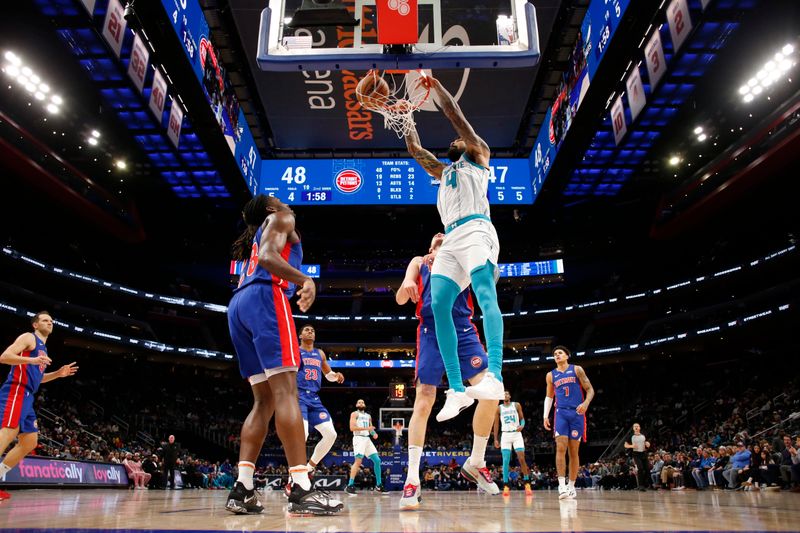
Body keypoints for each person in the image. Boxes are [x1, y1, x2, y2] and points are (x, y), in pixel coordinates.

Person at [226, 194, 342, 516]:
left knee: (263, 402)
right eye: (276, 198)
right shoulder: (281, 218)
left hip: (238, 305)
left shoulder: (262, 229)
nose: (283, 200)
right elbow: (267, 257)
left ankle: (243, 488)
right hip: (265, 297)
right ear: (269, 208)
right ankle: (302, 487)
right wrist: (305, 279)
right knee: (286, 392)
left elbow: (260, 255)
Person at [403, 74, 505, 421]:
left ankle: (495, 375)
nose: (454, 139)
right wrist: (405, 117)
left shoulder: (478, 155)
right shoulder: (442, 172)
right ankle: (458, 390)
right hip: (451, 237)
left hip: (477, 228)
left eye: (457, 139)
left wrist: (435, 87)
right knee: (439, 305)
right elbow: (416, 150)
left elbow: (454, 114)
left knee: (484, 294)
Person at [395, 234, 501, 510]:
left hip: (463, 330)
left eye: (446, 234)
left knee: (491, 393)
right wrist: (408, 282)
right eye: (436, 237)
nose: (442, 235)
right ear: (430, 247)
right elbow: (400, 296)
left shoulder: (463, 257)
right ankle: (412, 480)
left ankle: (476, 462)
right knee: (424, 399)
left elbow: (490, 276)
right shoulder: (421, 262)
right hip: (430, 331)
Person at [0, 311, 78, 501]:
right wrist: (31, 360)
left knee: (30, 442)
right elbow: (4, 356)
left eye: (51, 320)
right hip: (16, 390)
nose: (49, 322)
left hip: (28, 395)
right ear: (35, 324)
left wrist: (57, 374)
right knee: (9, 431)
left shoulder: (43, 348)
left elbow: (38, 378)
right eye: (45, 320)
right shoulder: (28, 337)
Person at [284, 324, 344, 496]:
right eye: (306, 330)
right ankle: (293, 480)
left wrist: (336, 376)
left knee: (331, 434)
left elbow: (328, 374)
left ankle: (309, 467)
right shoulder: (295, 350)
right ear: (300, 336)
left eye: (313, 330)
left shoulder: (320, 354)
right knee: (301, 434)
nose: (310, 332)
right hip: (299, 396)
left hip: (315, 399)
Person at [543, 345, 594, 500]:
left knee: (573, 452)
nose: (557, 355)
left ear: (567, 355)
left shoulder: (577, 369)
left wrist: (585, 403)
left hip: (577, 413)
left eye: (560, 353)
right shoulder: (551, 375)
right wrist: (546, 416)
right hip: (561, 413)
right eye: (555, 354)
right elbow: (549, 397)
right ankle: (561, 486)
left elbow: (590, 389)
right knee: (560, 447)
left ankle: (572, 486)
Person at [493, 391, 532, 496]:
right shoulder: (498, 408)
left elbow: (522, 419)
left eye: (507, 394)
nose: (505, 395)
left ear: (510, 396)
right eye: (503, 394)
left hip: (516, 434)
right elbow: (496, 424)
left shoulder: (516, 405)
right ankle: (506, 485)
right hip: (505, 435)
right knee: (505, 461)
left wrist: (522, 425)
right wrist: (496, 439)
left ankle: (527, 483)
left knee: (521, 459)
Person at [344, 399, 387, 495]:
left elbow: (370, 428)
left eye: (362, 402)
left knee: (377, 460)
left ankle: (379, 485)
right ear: (356, 405)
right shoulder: (354, 414)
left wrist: (374, 433)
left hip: (367, 439)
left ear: (365, 405)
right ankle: (350, 485)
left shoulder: (368, 416)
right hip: (358, 438)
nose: (361, 403)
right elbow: (352, 428)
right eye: (359, 402)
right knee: (358, 461)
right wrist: (367, 429)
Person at [624, 423, 650, 491]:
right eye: (634, 426)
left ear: (639, 428)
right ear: (633, 428)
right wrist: (631, 446)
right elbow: (625, 445)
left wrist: (648, 444)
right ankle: (641, 485)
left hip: (644, 453)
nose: (636, 427)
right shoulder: (631, 436)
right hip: (636, 454)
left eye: (637, 426)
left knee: (647, 468)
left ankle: (645, 483)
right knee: (640, 468)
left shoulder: (643, 435)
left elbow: (647, 443)